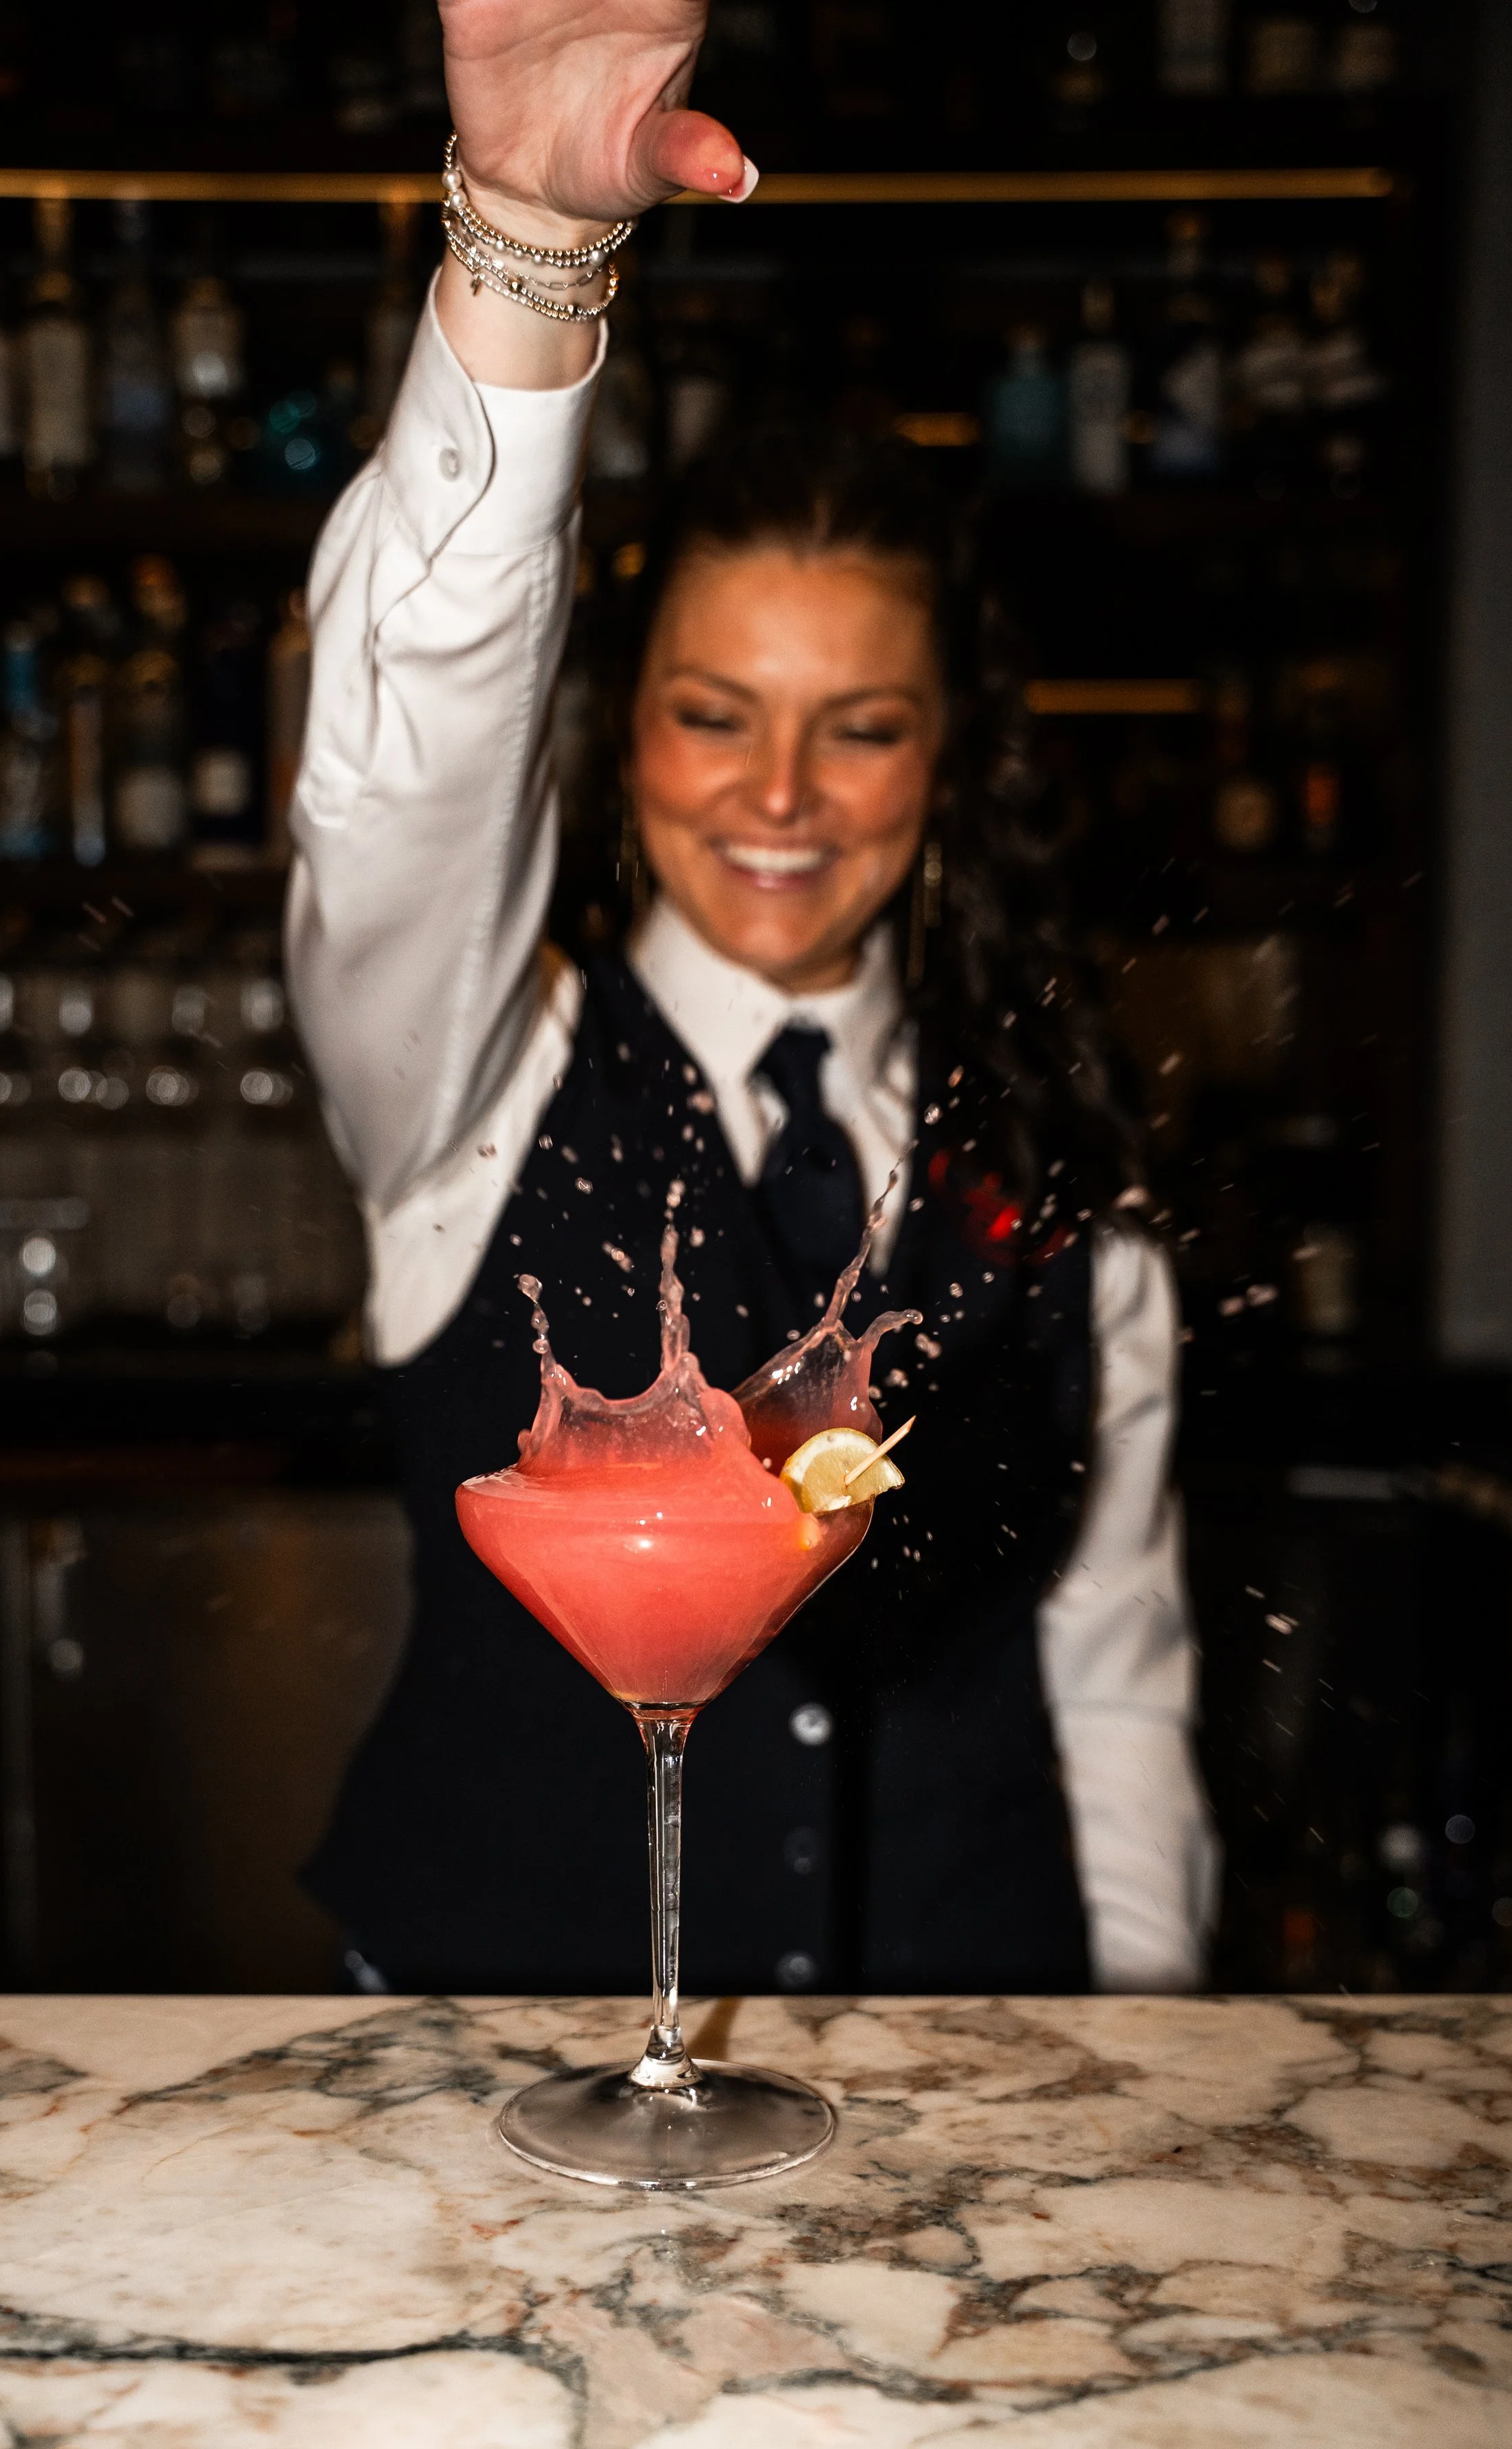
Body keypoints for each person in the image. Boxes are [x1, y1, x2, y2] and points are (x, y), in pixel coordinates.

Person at [287, 0, 1218, 1999]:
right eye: (714, 716)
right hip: (486, 2104)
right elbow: (401, 785)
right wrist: (527, 249)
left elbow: (1115, 1678)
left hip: (959, 2106)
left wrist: (1155, 2073)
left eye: (861, 728)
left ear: (950, 760)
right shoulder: (466, 1085)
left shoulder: (1057, 1170)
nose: (780, 797)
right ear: (621, 731)